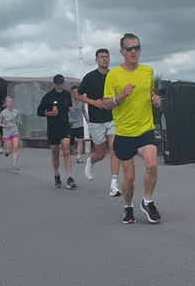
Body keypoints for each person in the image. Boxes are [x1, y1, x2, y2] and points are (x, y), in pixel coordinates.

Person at [96, 35, 162, 224]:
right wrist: (121, 96)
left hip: (145, 130)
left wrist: (155, 99)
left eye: (137, 48)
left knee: (151, 164)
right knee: (129, 177)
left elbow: (149, 92)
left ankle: (148, 202)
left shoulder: (147, 71)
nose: (134, 51)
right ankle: (128, 206)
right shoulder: (113, 75)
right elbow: (106, 104)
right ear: (122, 52)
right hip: (124, 133)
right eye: (129, 48)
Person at [73, 48, 122, 196]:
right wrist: (93, 103)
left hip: (112, 118)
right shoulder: (90, 77)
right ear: (96, 60)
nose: (104, 59)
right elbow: (78, 96)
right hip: (96, 120)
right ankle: (91, 161)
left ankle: (114, 184)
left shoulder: (114, 76)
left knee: (114, 149)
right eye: (102, 57)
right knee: (101, 153)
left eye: (107, 57)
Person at [37, 74, 76, 189]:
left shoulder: (67, 94)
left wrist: (70, 108)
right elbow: (39, 112)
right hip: (53, 128)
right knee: (55, 153)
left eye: (62, 83)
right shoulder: (48, 97)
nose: (60, 85)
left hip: (65, 126)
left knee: (66, 149)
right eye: (58, 83)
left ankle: (70, 177)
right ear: (54, 84)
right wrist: (49, 113)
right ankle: (56, 175)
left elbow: (69, 104)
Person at [0, 96, 22, 171]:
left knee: (16, 146)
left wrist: (19, 122)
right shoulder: (3, 113)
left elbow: (17, 119)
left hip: (14, 131)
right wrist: (5, 126)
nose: (10, 103)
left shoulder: (16, 112)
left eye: (11, 101)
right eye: (8, 102)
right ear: (6, 103)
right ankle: (7, 152)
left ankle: (15, 164)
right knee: (10, 150)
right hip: (7, 132)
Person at [69, 86, 86, 163]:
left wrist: (88, 120)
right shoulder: (69, 102)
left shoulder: (81, 101)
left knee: (80, 140)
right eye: (74, 92)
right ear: (72, 93)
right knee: (70, 143)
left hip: (79, 124)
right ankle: (67, 155)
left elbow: (84, 111)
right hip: (70, 125)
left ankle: (78, 157)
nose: (76, 94)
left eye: (77, 92)